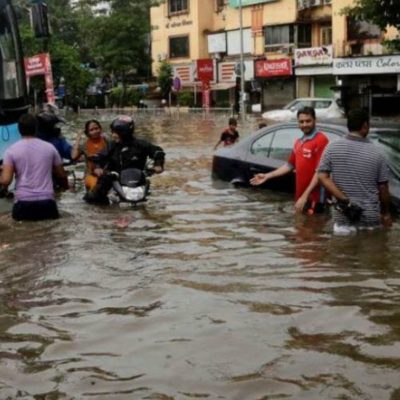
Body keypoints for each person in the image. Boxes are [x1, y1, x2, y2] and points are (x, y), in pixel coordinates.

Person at [318, 109, 391, 234]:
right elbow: (383, 187)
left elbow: (322, 177)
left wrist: (344, 199)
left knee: (343, 252)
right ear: (365, 125)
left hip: (343, 217)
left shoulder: (332, 147)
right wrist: (386, 213)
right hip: (370, 218)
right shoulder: (378, 152)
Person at [250, 106, 329, 214]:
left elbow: (319, 172)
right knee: (301, 229)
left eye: (308, 121)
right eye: (301, 122)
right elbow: (289, 165)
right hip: (301, 197)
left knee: (313, 228)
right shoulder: (298, 142)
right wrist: (267, 176)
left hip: (314, 198)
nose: (304, 124)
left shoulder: (321, 140)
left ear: (315, 120)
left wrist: (305, 196)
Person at [0, 113, 68, 221]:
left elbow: (6, 181)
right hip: (47, 202)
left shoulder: (11, 151)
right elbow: (61, 175)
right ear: (36, 128)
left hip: (23, 203)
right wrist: (66, 187)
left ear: (19, 129)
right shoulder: (50, 148)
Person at [84, 115, 165, 204]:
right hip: (114, 179)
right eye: (112, 132)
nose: (113, 135)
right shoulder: (112, 145)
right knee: (93, 197)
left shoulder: (141, 144)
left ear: (124, 132)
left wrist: (158, 165)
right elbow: (100, 156)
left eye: (115, 132)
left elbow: (158, 151)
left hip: (138, 181)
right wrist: (97, 167)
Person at [71, 119, 111, 192]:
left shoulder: (107, 141)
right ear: (87, 133)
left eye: (96, 128)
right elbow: (73, 157)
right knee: (97, 188)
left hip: (107, 173)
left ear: (100, 129)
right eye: (91, 130)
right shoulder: (85, 145)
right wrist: (78, 139)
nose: (95, 131)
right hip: (91, 175)